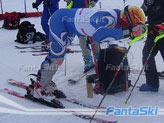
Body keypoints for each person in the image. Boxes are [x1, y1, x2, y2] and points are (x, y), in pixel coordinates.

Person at [28, 5, 146, 101]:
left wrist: (130, 31)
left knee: (58, 54)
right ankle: (40, 87)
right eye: (132, 27)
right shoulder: (107, 18)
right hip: (60, 21)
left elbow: (106, 36)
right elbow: (98, 35)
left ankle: (43, 79)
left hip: (70, 24)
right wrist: (128, 32)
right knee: (57, 55)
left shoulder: (119, 16)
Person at [65, 0, 100, 73]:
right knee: (82, 41)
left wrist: (94, 1)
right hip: (75, 15)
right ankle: (88, 60)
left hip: (87, 14)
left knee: (94, 37)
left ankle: (98, 57)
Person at [139, 0, 164, 92]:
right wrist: (144, 7)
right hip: (152, 32)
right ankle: (152, 84)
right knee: (147, 55)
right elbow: (142, 13)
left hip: (163, 32)